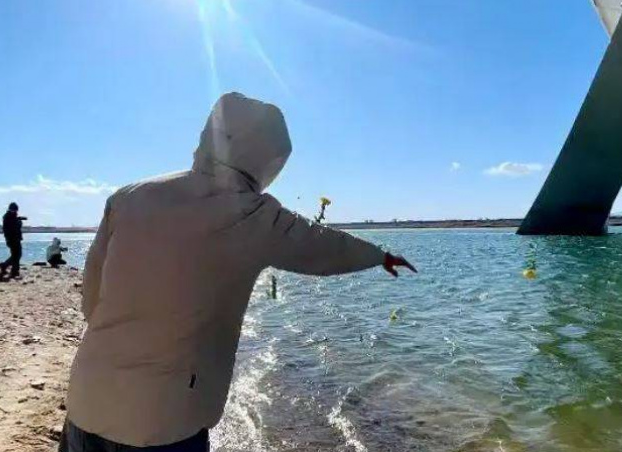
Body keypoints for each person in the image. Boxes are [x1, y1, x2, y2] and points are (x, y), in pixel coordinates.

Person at [60, 93, 416, 452]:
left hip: (87, 401)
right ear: (271, 160)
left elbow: (92, 301)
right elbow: (325, 247)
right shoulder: (254, 216)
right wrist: (380, 256)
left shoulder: (128, 197)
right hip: (163, 423)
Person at [0, 202, 26, 278]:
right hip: (12, 239)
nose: (16, 211)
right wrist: (19, 222)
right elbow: (12, 228)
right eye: (15, 210)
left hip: (14, 238)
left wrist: (19, 219)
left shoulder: (11, 216)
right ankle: (13, 271)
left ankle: (6, 266)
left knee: (16, 255)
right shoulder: (8, 217)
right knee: (16, 255)